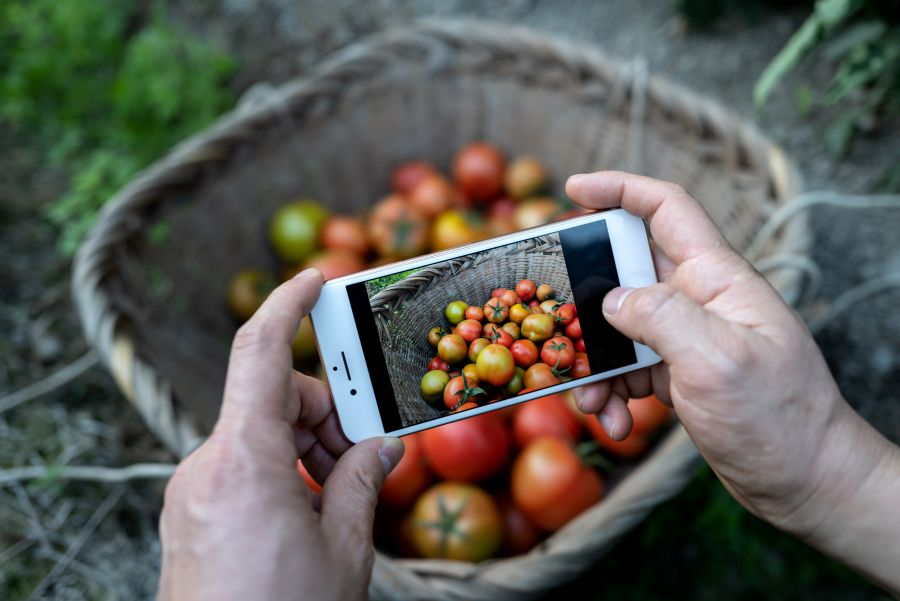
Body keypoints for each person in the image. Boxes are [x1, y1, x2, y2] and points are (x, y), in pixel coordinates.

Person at [158, 171, 900, 599]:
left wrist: (821, 467)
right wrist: (826, 466)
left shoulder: (507, 340)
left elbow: (494, 337)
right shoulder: (490, 347)